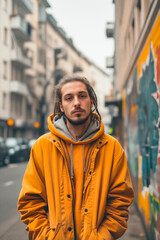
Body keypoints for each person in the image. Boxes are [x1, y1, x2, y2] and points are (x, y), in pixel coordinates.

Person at [18, 74, 134, 240]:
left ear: (92, 101)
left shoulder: (112, 147)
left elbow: (120, 201)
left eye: (82, 96)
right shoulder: (42, 146)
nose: (76, 103)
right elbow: (30, 202)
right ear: (62, 106)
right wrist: (47, 236)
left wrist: (101, 236)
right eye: (69, 98)